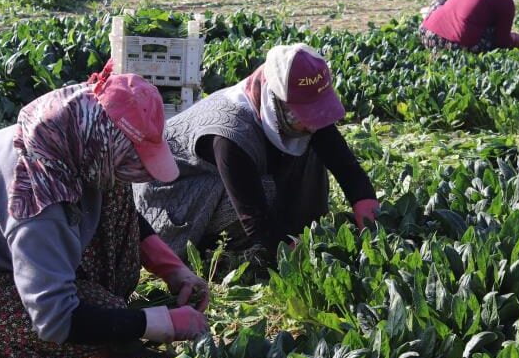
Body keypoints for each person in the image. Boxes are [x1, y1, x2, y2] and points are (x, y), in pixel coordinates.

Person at [0, 71, 210, 358]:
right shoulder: (37, 195)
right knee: (93, 313)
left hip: (4, 250)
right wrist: (158, 323)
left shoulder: (75, 136)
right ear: (102, 143)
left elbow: (124, 218)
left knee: (115, 189)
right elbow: (55, 318)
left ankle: (102, 340)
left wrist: (173, 269)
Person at [135, 43, 380, 258]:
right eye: (303, 115)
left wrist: (372, 228)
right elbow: (253, 215)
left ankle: (297, 230)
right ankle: (218, 250)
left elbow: (346, 167)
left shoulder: (291, 109)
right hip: (172, 203)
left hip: (219, 183)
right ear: (277, 102)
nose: (311, 123)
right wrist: (301, 259)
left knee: (312, 145)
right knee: (266, 189)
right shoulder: (231, 133)